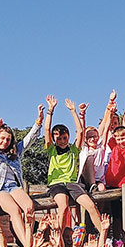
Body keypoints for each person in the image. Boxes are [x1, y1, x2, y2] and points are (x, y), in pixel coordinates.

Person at [0, 104, 44, 243]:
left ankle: (27, 239)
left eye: (8, 139)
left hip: (12, 186)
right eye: (2, 138)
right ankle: (28, 246)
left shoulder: (14, 152)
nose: (5, 142)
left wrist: (38, 122)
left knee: (29, 207)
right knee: (14, 210)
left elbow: (28, 139)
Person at [44, 95, 104, 230]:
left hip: (72, 184)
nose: (62, 141)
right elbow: (47, 130)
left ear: (68, 137)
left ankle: (102, 237)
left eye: (64, 138)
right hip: (57, 184)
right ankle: (58, 241)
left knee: (91, 206)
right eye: (58, 138)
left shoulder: (73, 150)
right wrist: (50, 110)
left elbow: (81, 131)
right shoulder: (52, 150)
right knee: (63, 207)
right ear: (54, 139)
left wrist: (73, 111)